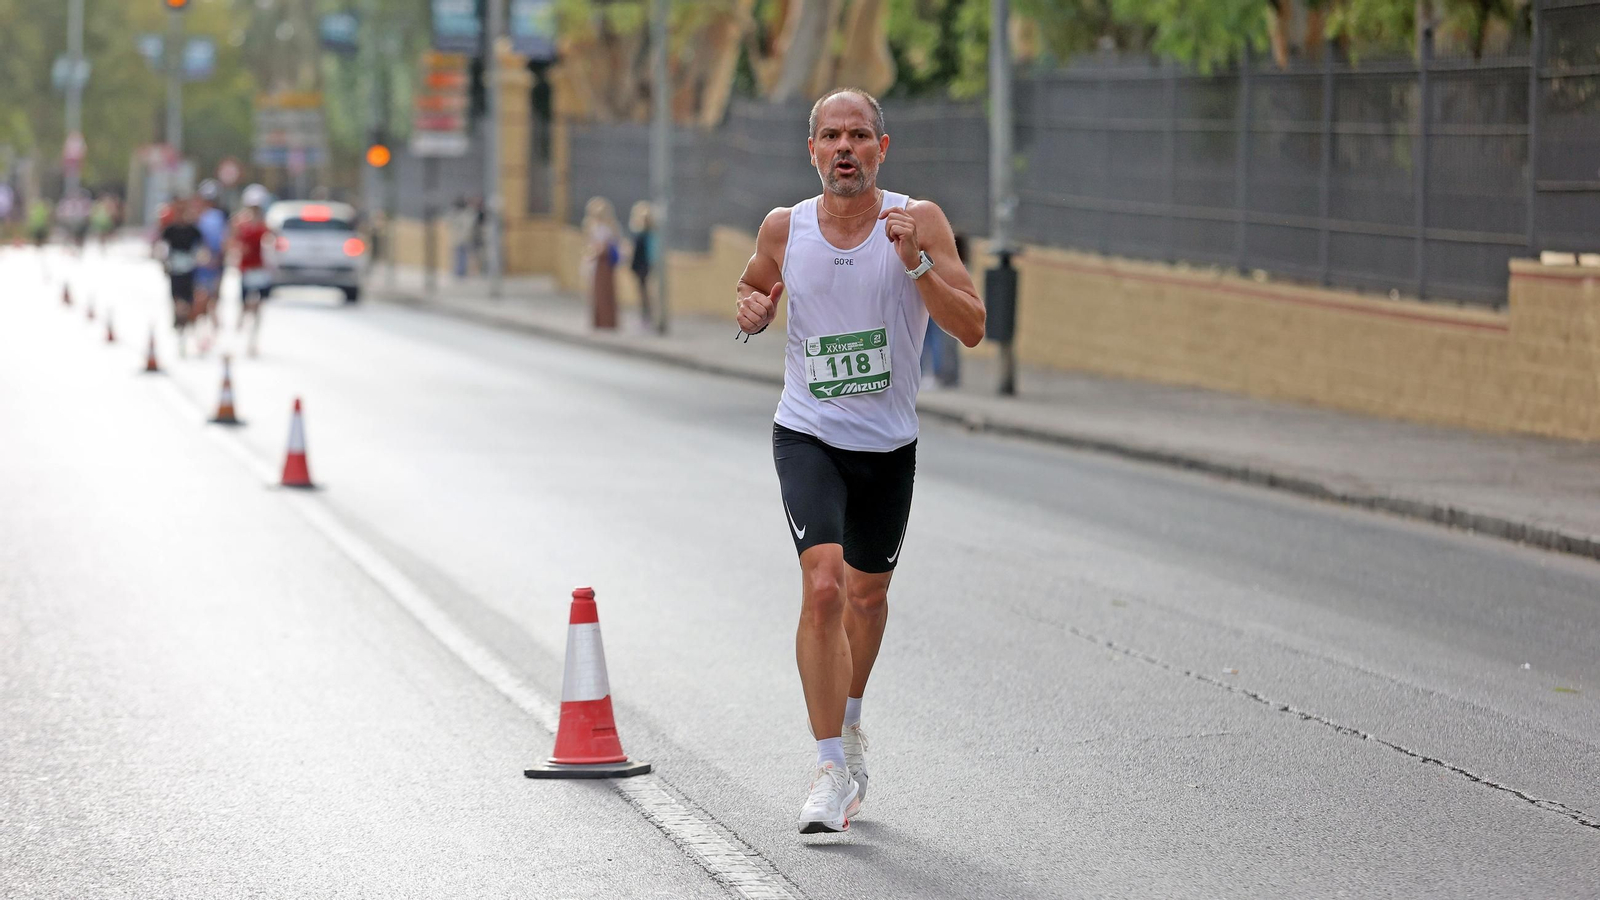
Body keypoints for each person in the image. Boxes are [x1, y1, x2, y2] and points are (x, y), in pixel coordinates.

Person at [734, 88, 985, 834]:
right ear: (811, 151)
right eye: (831, 136)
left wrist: (915, 266)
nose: (845, 148)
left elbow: (971, 326)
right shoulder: (785, 228)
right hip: (807, 433)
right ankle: (827, 769)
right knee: (824, 587)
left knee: (868, 598)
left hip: (887, 445)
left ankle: (849, 725)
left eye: (859, 136)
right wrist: (751, 309)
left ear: (882, 148)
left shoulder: (921, 221)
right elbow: (754, 288)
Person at [159, 198, 208, 357]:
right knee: (177, 300)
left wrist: (203, 259)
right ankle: (179, 322)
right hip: (175, 271)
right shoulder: (170, 230)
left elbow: (202, 248)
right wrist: (164, 264)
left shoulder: (194, 230)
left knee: (187, 303)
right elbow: (162, 248)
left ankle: (185, 324)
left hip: (189, 271)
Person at [230, 184, 273, 357]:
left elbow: (271, 245)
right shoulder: (241, 224)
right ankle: (241, 325)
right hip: (247, 270)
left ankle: (253, 341)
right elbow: (233, 243)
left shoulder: (265, 226)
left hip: (260, 270)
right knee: (245, 305)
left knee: (258, 307)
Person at [192, 180, 228, 353]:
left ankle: (206, 334)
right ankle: (205, 333)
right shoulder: (201, 217)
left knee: (208, 300)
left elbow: (222, 242)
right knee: (206, 300)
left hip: (211, 266)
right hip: (205, 265)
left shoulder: (214, 217)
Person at [628, 200, 658, 329]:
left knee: (645, 295)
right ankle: (646, 318)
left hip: (643, 268)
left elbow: (646, 254)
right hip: (643, 267)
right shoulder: (647, 235)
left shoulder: (646, 235)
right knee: (644, 294)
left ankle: (647, 319)